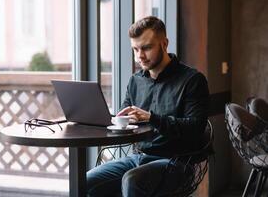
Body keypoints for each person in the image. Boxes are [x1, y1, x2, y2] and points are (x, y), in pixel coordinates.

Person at [87, 16, 209, 197]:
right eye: (135, 49)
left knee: (132, 180)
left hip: (177, 163)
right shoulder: (135, 81)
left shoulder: (192, 80)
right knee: (87, 181)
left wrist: (151, 118)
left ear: (165, 44)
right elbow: (125, 119)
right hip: (138, 157)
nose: (139, 56)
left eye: (146, 48)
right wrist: (113, 119)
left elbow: (196, 128)